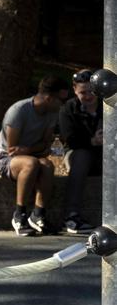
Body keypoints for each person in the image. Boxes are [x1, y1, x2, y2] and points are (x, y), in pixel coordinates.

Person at [0, 76, 69, 237]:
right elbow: (12, 150)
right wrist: (35, 149)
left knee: (47, 166)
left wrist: (30, 148)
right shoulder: (18, 111)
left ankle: (38, 215)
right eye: (61, 100)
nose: (63, 104)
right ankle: (19, 215)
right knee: (31, 164)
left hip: (31, 155)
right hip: (5, 160)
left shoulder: (51, 113)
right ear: (49, 98)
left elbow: (46, 145)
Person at [59, 69, 102, 234]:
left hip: (106, 154)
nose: (89, 96)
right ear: (75, 89)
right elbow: (69, 139)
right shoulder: (68, 109)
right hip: (78, 154)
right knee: (82, 156)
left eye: (92, 91)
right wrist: (92, 141)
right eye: (83, 92)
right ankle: (72, 215)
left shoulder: (109, 106)